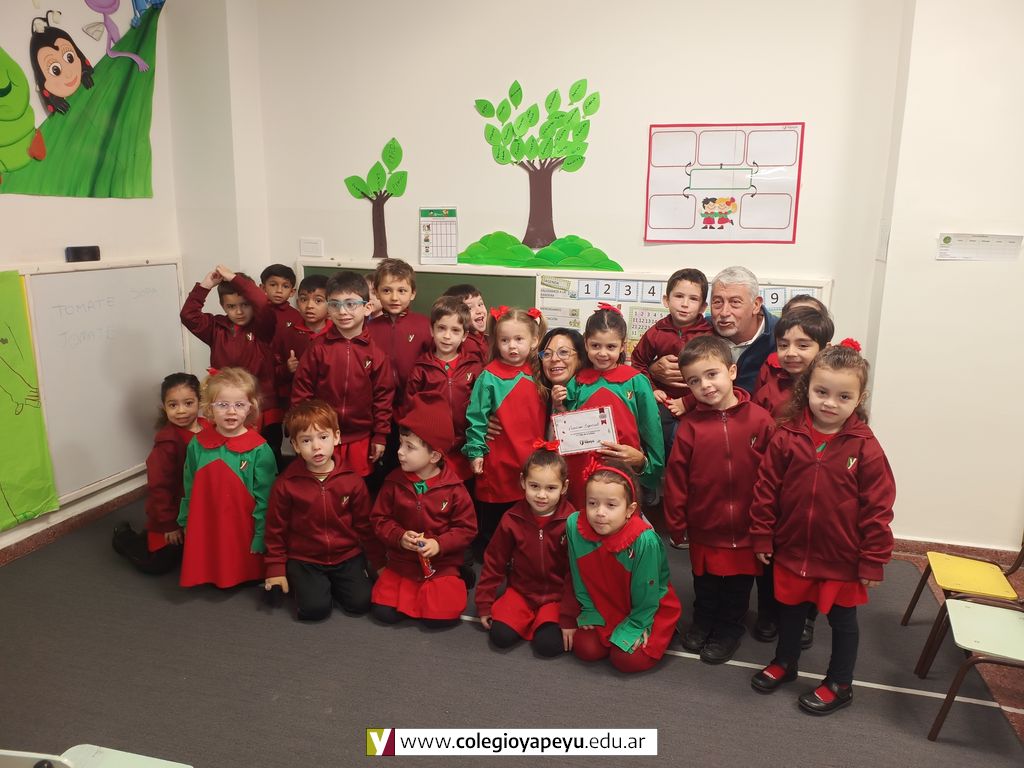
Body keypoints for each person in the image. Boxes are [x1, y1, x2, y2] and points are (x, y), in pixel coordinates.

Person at [749, 342, 895, 715]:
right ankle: (785, 662)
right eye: (821, 392)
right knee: (790, 612)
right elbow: (766, 489)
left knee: (843, 621)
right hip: (793, 549)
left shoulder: (865, 447)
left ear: (859, 398)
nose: (830, 403)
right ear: (807, 389)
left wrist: (873, 559)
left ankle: (840, 683)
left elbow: (878, 507)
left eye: (843, 396)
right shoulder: (787, 435)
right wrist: (763, 534)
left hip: (841, 557)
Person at [663, 336, 775, 664]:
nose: (705, 386)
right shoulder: (689, 427)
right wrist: (676, 522)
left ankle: (728, 629)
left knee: (737, 587)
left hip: (748, 526)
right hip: (705, 525)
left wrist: (769, 522)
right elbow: (677, 478)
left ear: (732, 371)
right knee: (706, 582)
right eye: (694, 381)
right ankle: (703, 622)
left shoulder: (760, 420)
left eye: (712, 374)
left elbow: (774, 476)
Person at [262, 400, 383, 621]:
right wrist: (275, 569)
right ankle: (308, 583)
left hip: (346, 555)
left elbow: (365, 526)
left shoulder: (352, 480)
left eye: (323, 437)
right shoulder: (286, 484)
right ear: (296, 446)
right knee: (314, 610)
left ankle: (335, 583)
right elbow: (275, 530)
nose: (316, 447)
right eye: (306, 440)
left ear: (336, 437)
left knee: (361, 604)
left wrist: (378, 562)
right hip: (305, 558)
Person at [561, 459, 681, 673]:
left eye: (611, 505)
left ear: (629, 509)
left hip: (645, 607)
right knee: (585, 648)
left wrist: (639, 625)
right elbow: (577, 575)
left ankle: (667, 631)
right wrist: (589, 610)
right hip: (604, 603)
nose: (600, 512)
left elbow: (647, 593)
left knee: (626, 660)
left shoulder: (644, 540)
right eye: (592, 503)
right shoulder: (574, 525)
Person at [370, 391, 476, 628]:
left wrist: (439, 544)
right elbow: (379, 519)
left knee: (439, 619)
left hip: (441, 564)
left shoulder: (454, 488)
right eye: (401, 444)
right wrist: (399, 536)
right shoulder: (393, 482)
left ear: (434, 455)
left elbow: (466, 529)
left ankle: (461, 573)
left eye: (410, 447)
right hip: (402, 563)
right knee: (383, 613)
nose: (400, 452)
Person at [554, 305, 664, 509]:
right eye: (595, 345)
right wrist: (558, 404)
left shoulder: (636, 381)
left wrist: (649, 466)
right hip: (581, 471)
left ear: (623, 346)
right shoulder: (577, 382)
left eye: (611, 347)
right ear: (586, 343)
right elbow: (565, 427)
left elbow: (652, 429)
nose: (602, 353)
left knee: (618, 515)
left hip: (621, 470)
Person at [178, 368, 277, 588]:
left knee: (237, 555)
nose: (231, 412)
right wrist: (185, 519)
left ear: (250, 407)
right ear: (210, 408)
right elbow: (189, 485)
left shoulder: (259, 449)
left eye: (239, 405)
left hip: (242, 527)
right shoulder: (197, 444)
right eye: (223, 404)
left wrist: (261, 535)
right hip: (207, 519)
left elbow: (266, 499)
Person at [291, 270, 394, 478]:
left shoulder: (376, 354)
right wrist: (302, 429)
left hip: (360, 437)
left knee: (354, 485)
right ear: (328, 309)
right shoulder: (317, 348)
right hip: (321, 435)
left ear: (367, 308)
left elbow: (383, 398)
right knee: (321, 482)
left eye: (351, 304)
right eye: (335, 304)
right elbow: (301, 391)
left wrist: (380, 435)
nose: (342, 311)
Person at [475, 445, 573, 657]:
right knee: (500, 637)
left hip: (557, 597)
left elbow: (577, 573)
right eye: (534, 486)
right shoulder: (511, 519)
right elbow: (494, 562)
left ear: (564, 487)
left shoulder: (572, 522)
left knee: (548, 646)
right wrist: (484, 603)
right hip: (521, 593)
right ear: (523, 482)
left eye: (551, 488)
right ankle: (525, 618)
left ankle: (543, 620)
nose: (541, 495)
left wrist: (569, 614)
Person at [463, 307, 547, 551]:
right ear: (496, 342)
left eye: (519, 339)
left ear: (534, 340)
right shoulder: (489, 376)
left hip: (532, 460)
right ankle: (490, 559)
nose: (512, 346)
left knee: (526, 519)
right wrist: (475, 452)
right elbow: (476, 417)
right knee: (495, 523)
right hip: (499, 462)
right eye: (505, 340)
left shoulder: (541, 372)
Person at [179, 265, 280, 457]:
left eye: (245, 305)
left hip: (260, 406)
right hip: (227, 405)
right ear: (223, 306)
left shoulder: (262, 328)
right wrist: (206, 285)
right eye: (231, 307)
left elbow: (262, 303)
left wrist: (234, 278)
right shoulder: (216, 328)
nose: (239, 312)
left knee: (264, 454)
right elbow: (188, 315)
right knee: (228, 451)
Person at [112, 373, 205, 574]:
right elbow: (159, 487)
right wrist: (169, 525)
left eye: (188, 403)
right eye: (173, 405)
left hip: (198, 509)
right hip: (171, 513)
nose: (181, 411)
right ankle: (124, 538)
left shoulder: (209, 428)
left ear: (199, 401)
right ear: (164, 407)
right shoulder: (167, 442)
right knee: (157, 564)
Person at [646, 266, 776, 398]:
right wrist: (653, 370)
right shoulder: (700, 329)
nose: (724, 313)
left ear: (756, 305)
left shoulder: (780, 336)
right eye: (717, 302)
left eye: (735, 302)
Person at [403, 296, 482, 482]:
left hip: (464, 447)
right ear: (432, 330)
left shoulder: (474, 367)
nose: (447, 336)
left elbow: (481, 406)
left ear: (464, 335)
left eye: (455, 330)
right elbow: (410, 408)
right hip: (430, 449)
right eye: (441, 328)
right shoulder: (421, 369)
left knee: (460, 490)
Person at [270, 273, 330, 425]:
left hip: (330, 407)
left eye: (318, 300)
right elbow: (271, 372)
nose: (309, 306)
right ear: (297, 303)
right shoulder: (287, 334)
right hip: (298, 408)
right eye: (304, 299)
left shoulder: (337, 334)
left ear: (330, 305)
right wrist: (287, 368)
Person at [754, 306, 835, 418]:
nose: (790, 353)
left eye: (803, 345)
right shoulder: (768, 392)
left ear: (825, 349)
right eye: (783, 345)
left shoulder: (835, 388)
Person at [442, 283, 489, 361]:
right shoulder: (468, 345)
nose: (479, 311)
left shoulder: (482, 337)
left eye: (480, 304)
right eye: (470, 308)